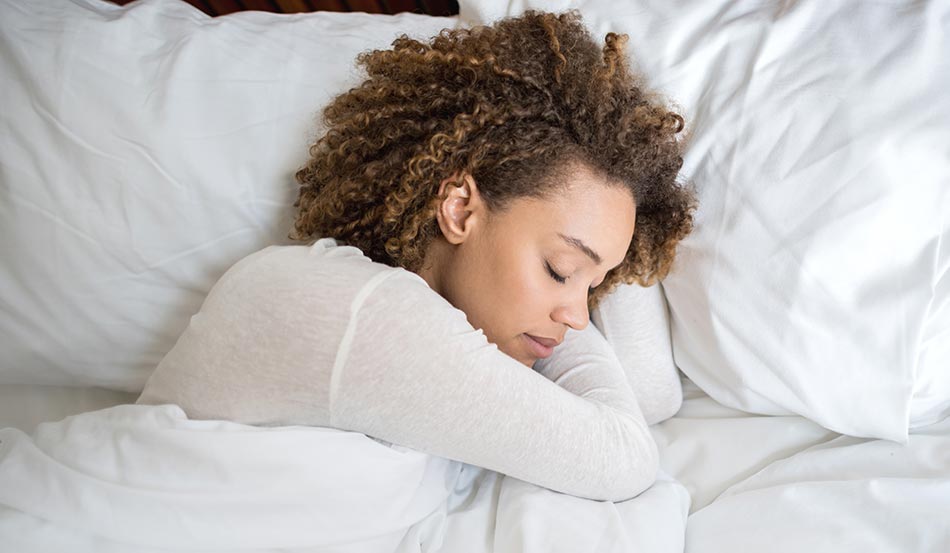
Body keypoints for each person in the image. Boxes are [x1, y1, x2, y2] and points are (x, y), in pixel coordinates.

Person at [136, 9, 697, 502]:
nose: (578, 316)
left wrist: (612, 222)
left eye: (594, 289)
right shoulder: (359, 313)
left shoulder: (446, 324)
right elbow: (620, 457)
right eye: (560, 270)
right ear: (458, 210)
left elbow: (650, 398)